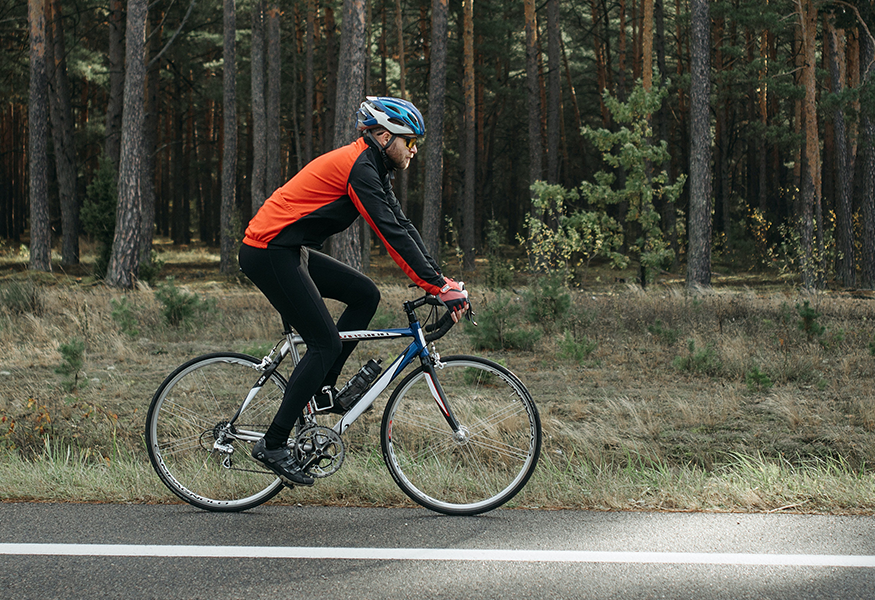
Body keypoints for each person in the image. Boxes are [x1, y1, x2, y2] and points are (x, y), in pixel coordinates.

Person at [238, 96, 469, 487]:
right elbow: (388, 233)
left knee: (365, 295)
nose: (414, 151)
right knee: (324, 342)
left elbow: (402, 224)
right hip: (267, 250)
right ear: (383, 136)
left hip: (288, 248)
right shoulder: (359, 168)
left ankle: (323, 387)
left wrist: (440, 281)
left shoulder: (372, 167)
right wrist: (434, 286)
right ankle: (273, 444)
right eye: (409, 141)